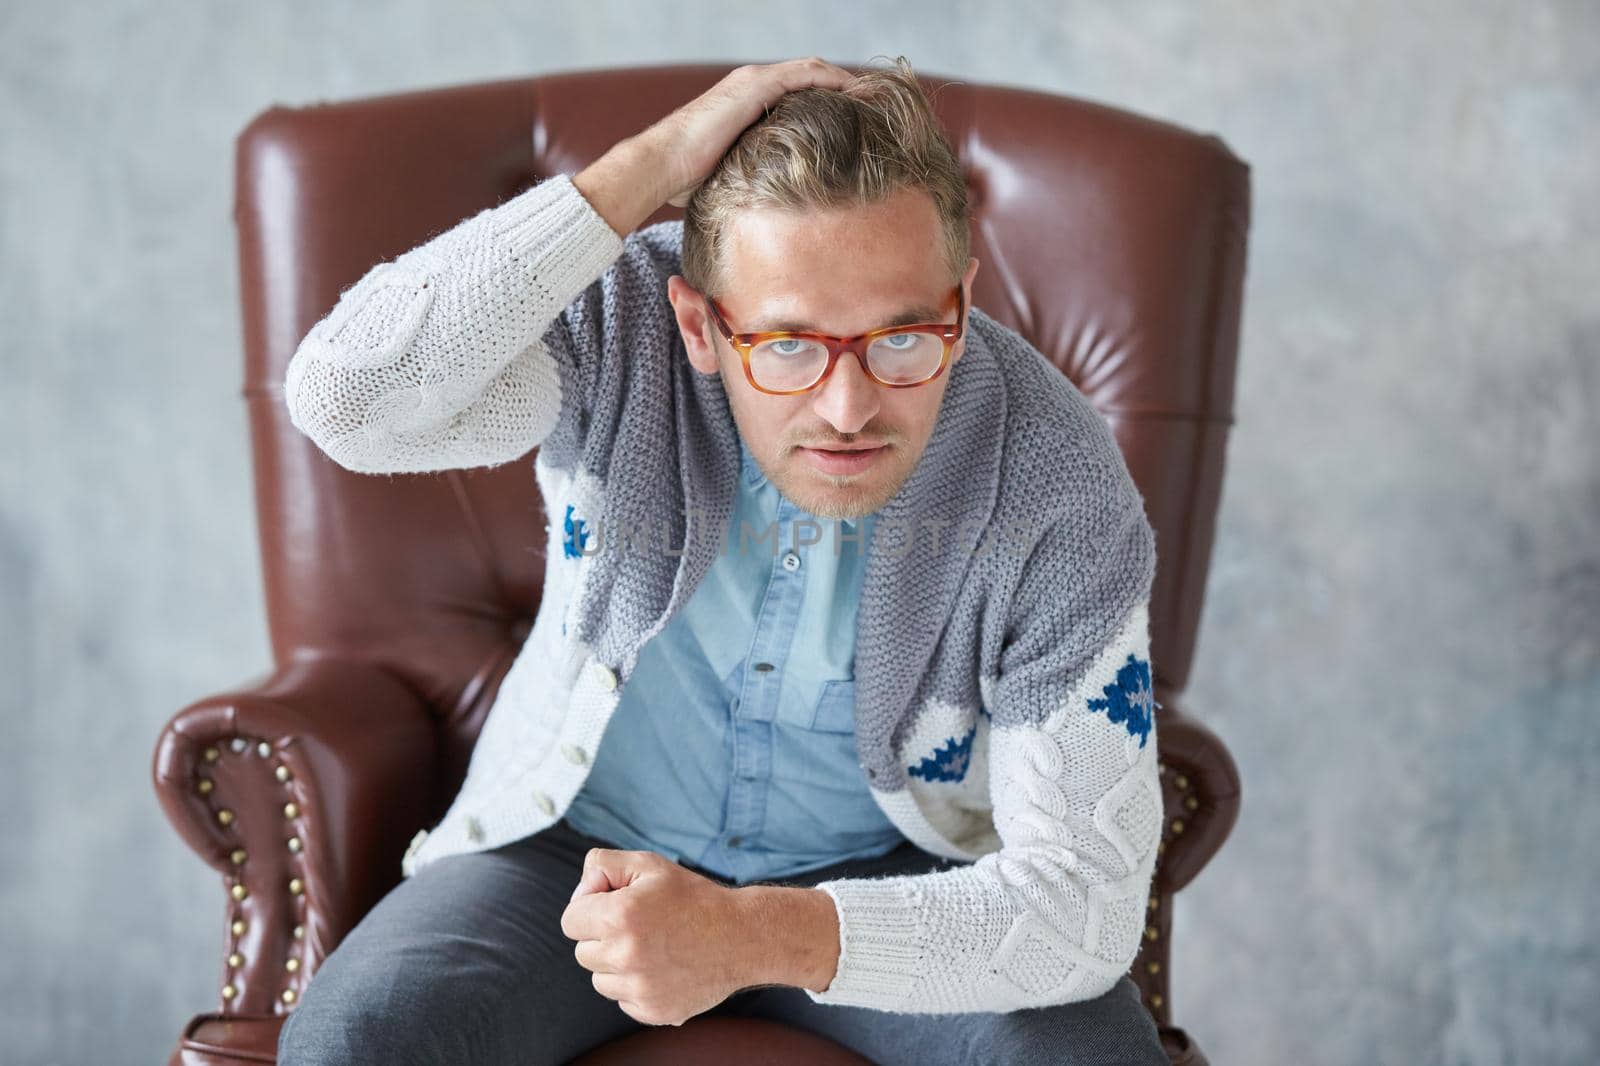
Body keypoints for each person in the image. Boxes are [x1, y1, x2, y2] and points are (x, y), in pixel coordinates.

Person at [277, 55, 1168, 1065]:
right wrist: (637, 171)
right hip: (567, 859)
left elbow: (1084, 905)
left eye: (902, 337)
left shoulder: (1057, 486)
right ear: (700, 324)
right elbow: (348, 399)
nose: (847, 408)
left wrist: (751, 936)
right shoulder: (622, 334)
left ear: (959, 309)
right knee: (356, 1042)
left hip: (892, 872)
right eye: (786, 345)